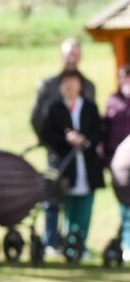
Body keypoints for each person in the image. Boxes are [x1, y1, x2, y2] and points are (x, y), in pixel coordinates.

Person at [30, 38, 96, 254]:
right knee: (52, 196)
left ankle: (74, 242)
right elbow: (37, 118)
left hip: (80, 153)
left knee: (78, 194)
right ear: (62, 56)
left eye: (75, 53)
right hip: (56, 151)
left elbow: (92, 118)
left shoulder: (87, 85)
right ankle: (51, 241)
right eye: (68, 53)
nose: (72, 58)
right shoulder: (48, 85)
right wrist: (53, 140)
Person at [41, 69, 104, 255]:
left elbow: (98, 132)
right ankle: (66, 244)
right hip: (64, 165)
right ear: (60, 86)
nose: (70, 86)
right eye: (66, 82)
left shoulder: (90, 107)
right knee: (65, 204)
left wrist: (84, 140)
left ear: (80, 85)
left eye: (73, 82)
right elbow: (47, 134)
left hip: (87, 165)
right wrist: (66, 138)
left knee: (84, 207)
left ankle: (80, 244)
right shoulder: (54, 108)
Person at [103, 65, 130, 262]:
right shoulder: (114, 102)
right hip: (121, 166)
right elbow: (105, 131)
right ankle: (127, 246)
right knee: (127, 210)